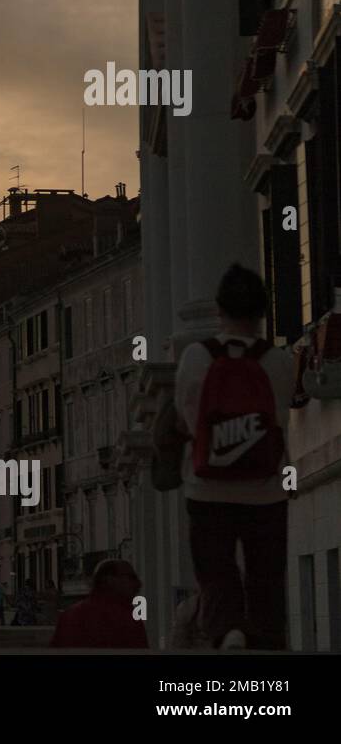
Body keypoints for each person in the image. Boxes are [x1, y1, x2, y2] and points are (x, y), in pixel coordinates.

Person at [174, 263, 292, 650]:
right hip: (265, 489)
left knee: (216, 572)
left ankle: (227, 631)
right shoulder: (278, 361)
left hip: (207, 488)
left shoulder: (196, 357)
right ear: (261, 313)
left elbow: (189, 419)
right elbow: (279, 418)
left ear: (219, 310)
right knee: (266, 575)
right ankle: (267, 642)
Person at [50, 559, 148, 649]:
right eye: (131, 577)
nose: (138, 583)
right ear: (109, 580)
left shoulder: (70, 615)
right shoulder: (127, 617)